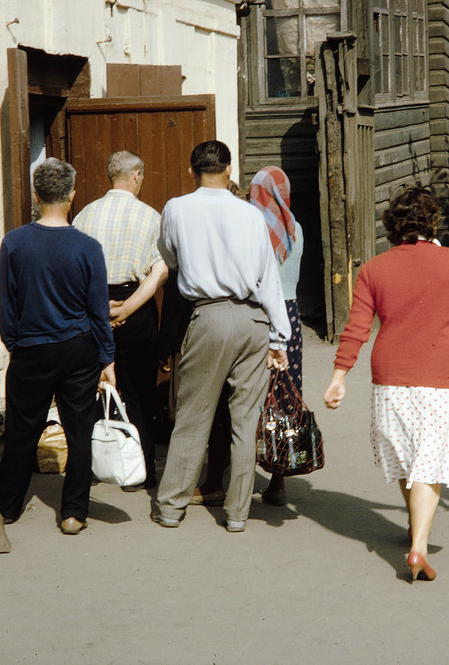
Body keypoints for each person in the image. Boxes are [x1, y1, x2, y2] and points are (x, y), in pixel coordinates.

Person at [324, 186, 449, 582]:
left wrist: (339, 376)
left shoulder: (374, 268)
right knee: (429, 461)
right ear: (432, 221)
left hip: (390, 379)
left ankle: (414, 524)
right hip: (440, 378)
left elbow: (356, 329)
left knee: (409, 456)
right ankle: (418, 548)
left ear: (392, 225)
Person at [152, 140, 290, 533]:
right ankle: (237, 514)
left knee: (194, 414)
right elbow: (269, 280)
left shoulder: (176, 208)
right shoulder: (251, 215)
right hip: (254, 321)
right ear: (229, 169)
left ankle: (171, 506)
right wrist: (279, 339)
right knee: (245, 421)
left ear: (192, 169)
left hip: (208, 316)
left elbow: (172, 258)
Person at [0, 158, 116, 535]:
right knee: (79, 430)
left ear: (36, 195)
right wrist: (107, 356)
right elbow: (98, 310)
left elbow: (8, 303)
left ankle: (8, 507)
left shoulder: (14, 242)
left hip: (30, 348)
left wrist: (14, 342)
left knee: (21, 430)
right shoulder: (87, 247)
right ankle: (73, 513)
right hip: (77, 349)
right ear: (72, 196)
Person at [190, 166, 304, 508]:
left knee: (233, 399)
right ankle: (278, 483)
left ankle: (214, 481)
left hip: (256, 315)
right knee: (281, 399)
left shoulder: (249, 227)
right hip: (291, 321)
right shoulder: (296, 228)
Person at [72, 150, 168, 490]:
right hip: (136, 308)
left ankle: (93, 467)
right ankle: (142, 472)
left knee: (91, 389)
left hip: (91, 307)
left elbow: (75, 272)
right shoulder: (150, 216)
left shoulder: (84, 215)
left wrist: (98, 307)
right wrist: (127, 308)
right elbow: (159, 272)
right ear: (137, 175)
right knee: (140, 391)